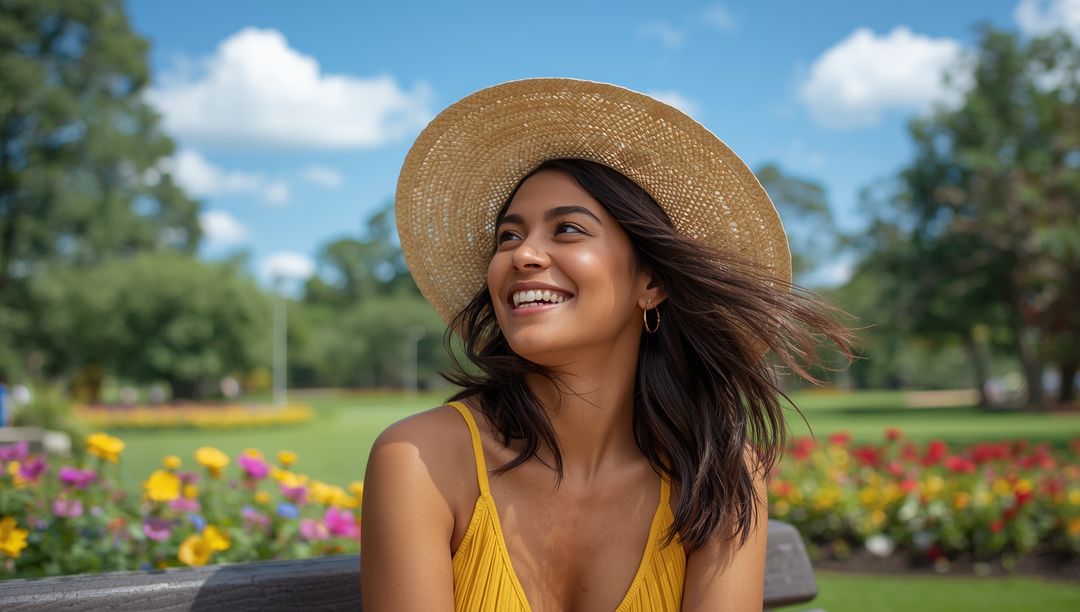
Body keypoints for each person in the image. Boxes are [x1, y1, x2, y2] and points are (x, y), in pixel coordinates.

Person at [361, 78, 855, 611]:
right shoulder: (419, 460)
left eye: (568, 230)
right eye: (509, 235)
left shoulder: (719, 473)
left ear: (651, 282)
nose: (523, 254)